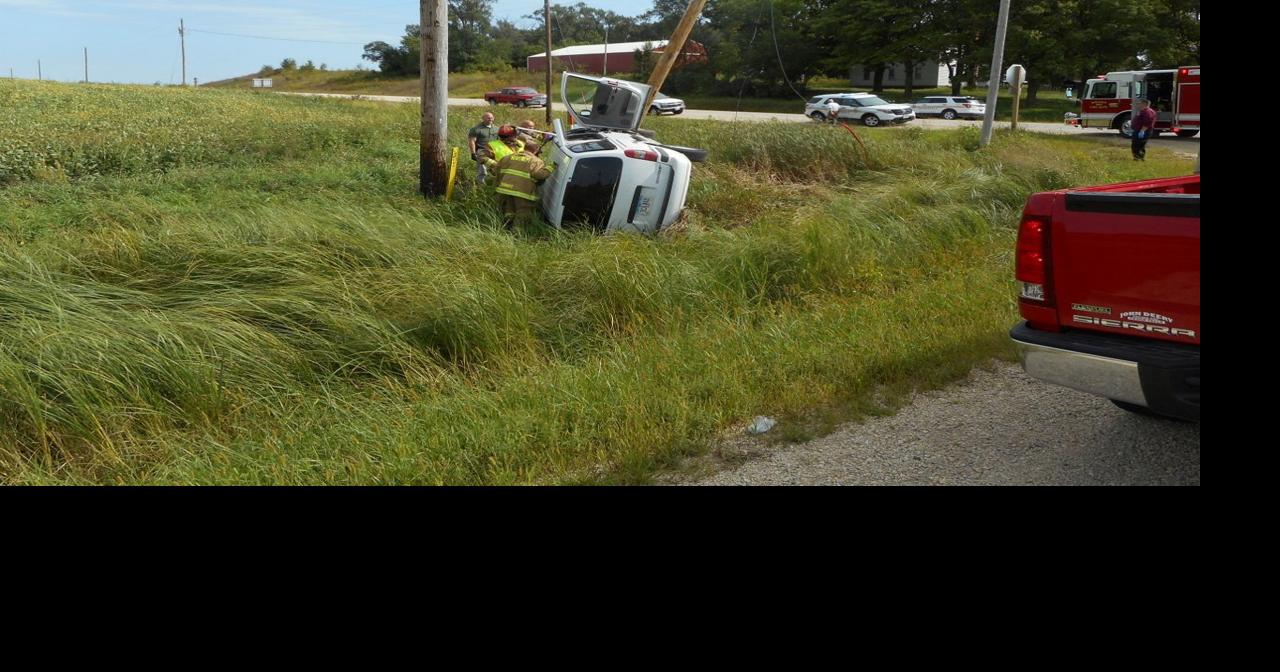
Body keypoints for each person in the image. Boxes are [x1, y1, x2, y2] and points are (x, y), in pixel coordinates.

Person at [487, 139, 553, 230]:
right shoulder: (536, 161)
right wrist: (551, 168)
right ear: (536, 150)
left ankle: (505, 227)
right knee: (523, 211)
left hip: (504, 189)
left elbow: (496, 169)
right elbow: (539, 175)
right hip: (522, 192)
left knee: (509, 210)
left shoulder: (508, 157)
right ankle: (516, 233)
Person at [467, 112, 499, 182]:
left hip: (494, 151)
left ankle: (493, 184)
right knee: (482, 170)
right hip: (481, 151)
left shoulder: (496, 129)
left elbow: (499, 141)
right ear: (483, 119)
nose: (490, 119)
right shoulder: (476, 129)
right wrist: (473, 153)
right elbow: (472, 141)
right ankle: (480, 185)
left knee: (495, 169)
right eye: (488, 117)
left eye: (491, 117)